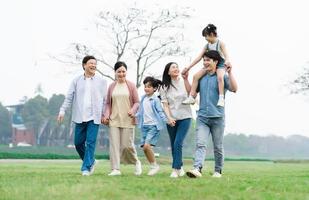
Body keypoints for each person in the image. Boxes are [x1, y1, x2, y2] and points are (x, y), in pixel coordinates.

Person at [186, 50, 237, 178]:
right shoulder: (201, 77)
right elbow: (192, 93)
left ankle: (218, 171)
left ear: (215, 62)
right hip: (202, 117)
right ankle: (197, 168)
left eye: (208, 60)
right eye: (204, 60)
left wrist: (230, 72)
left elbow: (234, 88)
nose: (205, 62)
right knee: (200, 144)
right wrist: (185, 79)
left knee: (218, 147)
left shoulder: (222, 77)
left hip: (218, 118)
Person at [57, 55, 107, 176]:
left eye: (95, 64)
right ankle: (92, 161)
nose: (93, 65)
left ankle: (86, 168)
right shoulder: (76, 80)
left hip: (94, 117)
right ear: (84, 65)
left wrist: (104, 114)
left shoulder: (101, 81)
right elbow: (69, 97)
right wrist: (62, 110)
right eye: (91, 63)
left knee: (90, 142)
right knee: (78, 143)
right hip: (80, 117)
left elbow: (105, 100)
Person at [102, 61, 142, 176]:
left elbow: (137, 102)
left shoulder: (131, 85)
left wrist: (132, 111)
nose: (121, 73)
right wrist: (106, 115)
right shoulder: (111, 86)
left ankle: (136, 162)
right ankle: (115, 169)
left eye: (123, 71)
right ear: (115, 72)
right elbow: (108, 104)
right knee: (114, 145)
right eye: (119, 71)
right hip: (114, 120)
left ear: (126, 72)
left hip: (128, 120)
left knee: (126, 146)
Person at [182, 24, 231, 107]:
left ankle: (221, 98)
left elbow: (226, 55)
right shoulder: (207, 46)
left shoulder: (220, 43)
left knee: (220, 77)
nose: (205, 39)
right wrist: (188, 67)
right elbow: (199, 57)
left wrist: (227, 61)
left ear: (211, 34)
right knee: (195, 76)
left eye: (206, 36)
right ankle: (192, 96)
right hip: (209, 65)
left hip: (220, 64)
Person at [159, 62, 193, 178]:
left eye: (177, 67)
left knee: (178, 142)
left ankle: (175, 169)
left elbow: (191, 93)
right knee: (174, 145)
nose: (176, 68)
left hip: (185, 117)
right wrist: (169, 118)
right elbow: (165, 105)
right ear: (168, 72)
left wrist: (187, 79)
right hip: (171, 119)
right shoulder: (163, 87)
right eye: (173, 67)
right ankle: (180, 166)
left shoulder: (184, 82)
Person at [136, 76, 168, 176]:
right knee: (145, 148)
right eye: (145, 86)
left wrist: (167, 120)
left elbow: (160, 112)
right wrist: (134, 115)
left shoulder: (156, 100)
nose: (146, 88)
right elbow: (141, 111)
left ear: (154, 88)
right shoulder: (143, 98)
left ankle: (154, 166)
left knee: (146, 146)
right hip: (144, 126)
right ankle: (153, 165)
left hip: (153, 126)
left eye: (149, 86)